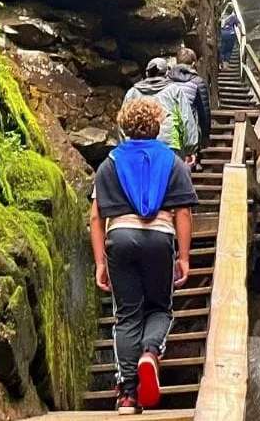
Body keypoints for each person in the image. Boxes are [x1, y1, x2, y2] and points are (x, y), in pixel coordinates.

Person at [91, 98, 199, 414]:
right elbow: (183, 213)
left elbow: (95, 217)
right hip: (160, 238)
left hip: (119, 239)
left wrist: (100, 262)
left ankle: (127, 395)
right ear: (157, 126)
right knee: (160, 309)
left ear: (125, 126)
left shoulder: (109, 164)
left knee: (126, 316)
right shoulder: (173, 162)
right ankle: (150, 353)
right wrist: (184, 257)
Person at [124, 58, 196, 153]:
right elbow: (185, 118)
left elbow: (123, 121)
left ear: (146, 73)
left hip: (138, 146)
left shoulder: (133, 92)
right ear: (166, 74)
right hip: (169, 144)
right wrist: (190, 147)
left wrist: (126, 145)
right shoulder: (174, 91)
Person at [168, 48, 211, 165]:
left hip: (169, 132)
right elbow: (204, 112)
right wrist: (205, 136)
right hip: (189, 132)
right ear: (193, 63)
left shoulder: (166, 80)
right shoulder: (197, 82)